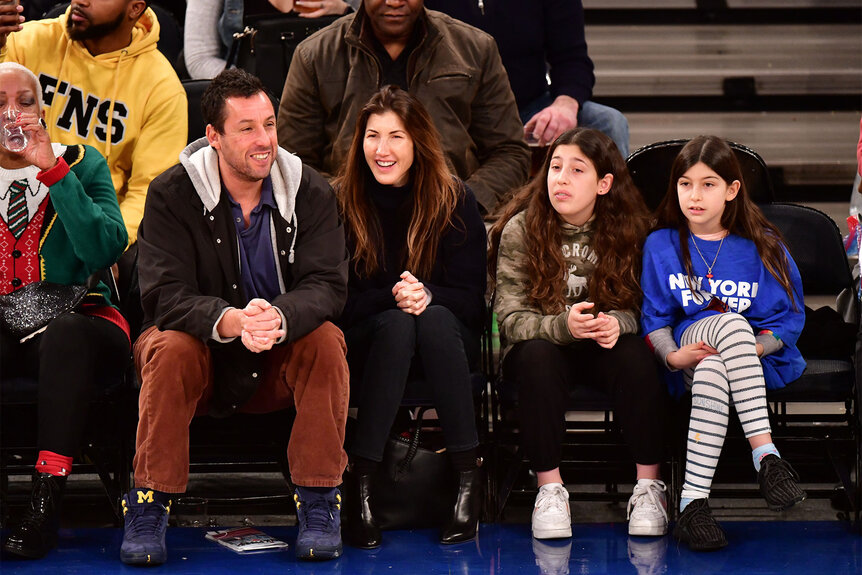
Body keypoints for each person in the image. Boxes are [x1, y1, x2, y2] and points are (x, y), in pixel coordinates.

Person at [121, 68, 349, 565]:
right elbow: (162, 295)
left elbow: (328, 286)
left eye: (269, 124)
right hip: (199, 358)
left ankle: (319, 500)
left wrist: (277, 318)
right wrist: (230, 320)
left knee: (326, 341)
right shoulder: (171, 194)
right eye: (246, 128)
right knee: (169, 345)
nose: (264, 139)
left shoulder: (311, 191)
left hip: (275, 356)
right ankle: (147, 502)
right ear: (214, 137)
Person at [489, 128, 669, 542]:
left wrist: (616, 323)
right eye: (554, 167)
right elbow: (510, 319)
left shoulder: (634, 231)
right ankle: (549, 489)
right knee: (535, 358)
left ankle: (648, 487)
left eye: (576, 170)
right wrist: (562, 326)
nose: (561, 179)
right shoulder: (521, 229)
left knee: (637, 357)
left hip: (601, 347)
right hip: (544, 348)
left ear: (604, 184)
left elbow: (649, 309)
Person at [336, 86, 487, 548]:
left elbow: (474, 306)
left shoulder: (453, 198)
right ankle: (360, 483)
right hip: (370, 343)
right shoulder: (340, 201)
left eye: (396, 136)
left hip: (442, 345)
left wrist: (428, 294)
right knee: (401, 323)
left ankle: (467, 480)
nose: (382, 150)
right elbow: (335, 303)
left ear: (418, 141)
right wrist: (395, 298)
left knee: (436, 318)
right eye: (372, 136)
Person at [640, 135, 807, 551]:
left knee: (722, 354)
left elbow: (787, 319)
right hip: (686, 349)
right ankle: (767, 456)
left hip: (740, 361)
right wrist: (672, 355)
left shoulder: (762, 245)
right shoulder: (660, 243)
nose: (694, 196)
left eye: (709, 184)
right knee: (727, 322)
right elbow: (655, 317)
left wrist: (753, 350)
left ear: (732, 190)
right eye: (685, 184)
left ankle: (693, 504)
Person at [0, 61, 129, 559]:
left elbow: (104, 249)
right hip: (7, 331)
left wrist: (51, 170)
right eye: (0, 103)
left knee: (67, 334)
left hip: (81, 328)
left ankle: (44, 504)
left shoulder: (81, 163)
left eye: (25, 101)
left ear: (42, 111)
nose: (12, 113)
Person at [277, 0, 530, 214]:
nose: (395, 2)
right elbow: (291, 161)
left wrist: (462, 204)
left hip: (453, 227)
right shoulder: (314, 55)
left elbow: (510, 153)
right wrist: (347, 203)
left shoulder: (475, 49)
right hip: (346, 229)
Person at [0, 0, 188, 243]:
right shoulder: (27, 39)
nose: (81, 0)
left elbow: (149, 192)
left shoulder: (162, 88)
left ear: (134, 9)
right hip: (11, 205)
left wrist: (110, 242)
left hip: (88, 224)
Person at [425, 0, 629, 156]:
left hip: (530, 110)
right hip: (455, 111)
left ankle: (619, 210)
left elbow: (572, 59)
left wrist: (565, 106)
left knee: (608, 122)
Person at [183, 0, 361, 80]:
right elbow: (199, 58)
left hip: (331, 95)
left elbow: (374, 48)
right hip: (246, 100)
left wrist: (346, 13)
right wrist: (250, 87)